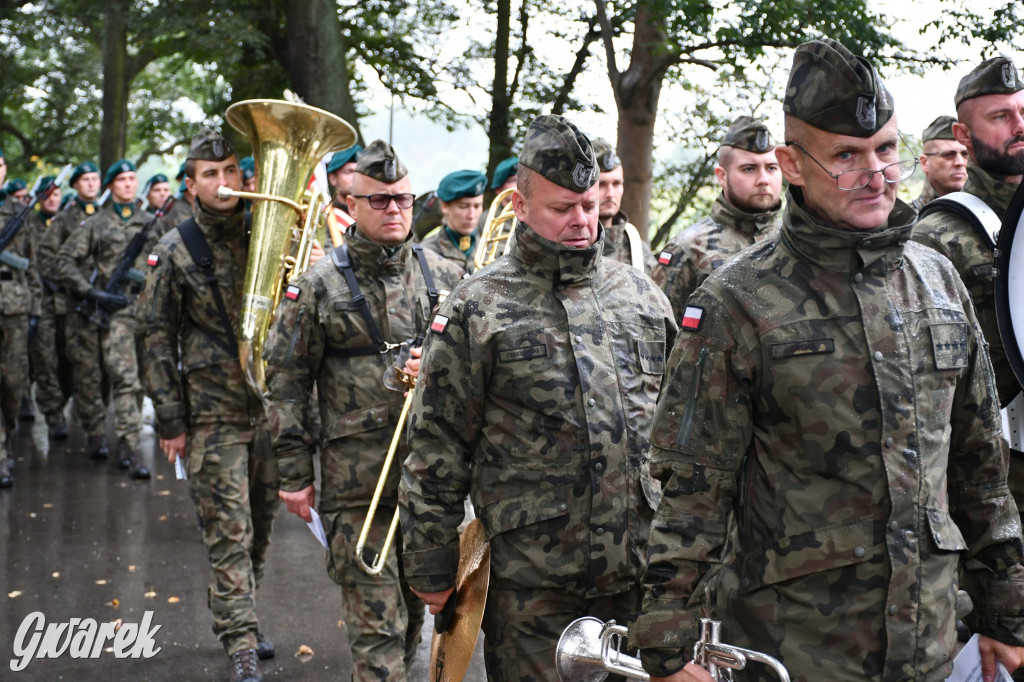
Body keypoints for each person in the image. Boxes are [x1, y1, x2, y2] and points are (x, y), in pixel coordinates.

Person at [633, 39, 1024, 682]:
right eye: (846, 155)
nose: (875, 173)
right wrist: (667, 646)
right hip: (797, 646)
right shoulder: (738, 301)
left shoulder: (937, 279)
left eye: (887, 150)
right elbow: (693, 489)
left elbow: (980, 461)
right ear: (791, 162)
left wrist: (1006, 613)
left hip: (930, 637)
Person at [400, 115, 676, 681]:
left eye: (589, 204)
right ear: (520, 206)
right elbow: (437, 445)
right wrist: (430, 564)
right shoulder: (477, 308)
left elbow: (679, 430)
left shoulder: (641, 296)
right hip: (534, 587)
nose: (581, 221)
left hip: (639, 576)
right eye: (561, 208)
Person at [263, 140, 462, 681]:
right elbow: (285, 381)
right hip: (358, 488)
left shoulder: (445, 275)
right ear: (351, 205)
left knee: (411, 629)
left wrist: (439, 369)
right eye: (379, 201)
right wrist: (294, 474)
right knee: (378, 645)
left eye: (402, 198)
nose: (394, 209)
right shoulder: (318, 285)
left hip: (431, 487)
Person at [137, 129, 280, 682]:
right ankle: (240, 639)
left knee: (261, 529)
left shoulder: (269, 235)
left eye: (231, 171)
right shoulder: (175, 249)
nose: (224, 184)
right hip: (212, 417)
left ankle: (238, 609)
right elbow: (153, 336)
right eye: (210, 174)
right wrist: (171, 420)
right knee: (229, 532)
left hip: (268, 412)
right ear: (192, 185)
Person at [913, 57, 1024, 519]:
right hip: (998, 479)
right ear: (963, 135)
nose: (1019, 125)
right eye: (1000, 117)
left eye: (1023, 111)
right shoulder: (936, 237)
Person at [54, 159, 152, 479]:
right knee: (125, 379)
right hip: (117, 313)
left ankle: (126, 438)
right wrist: (90, 292)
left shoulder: (152, 223)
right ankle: (131, 444)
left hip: (149, 313)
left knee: (141, 383)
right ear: (110, 186)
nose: (127, 184)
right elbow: (64, 261)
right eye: (121, 179)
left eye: (132, 178)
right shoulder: (96, 224)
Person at [652, 115, 782, 322]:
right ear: (722, 176)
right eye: (749, 169)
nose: (764, 180)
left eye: (771, 168)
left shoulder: (794, 239)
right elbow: (659, 335)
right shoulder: (687, 250)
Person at [39, 161, 108, 455]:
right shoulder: (65, 219)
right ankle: (94, 432)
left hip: (107, 304)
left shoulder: (108, 216)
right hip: (76, 305)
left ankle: (97, 419)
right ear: (76, 185)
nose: (92, 184)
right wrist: (73, 286)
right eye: (86, 180)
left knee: (106, 371)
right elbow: (47, 258)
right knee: (81, 368)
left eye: (95, 179)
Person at [30, 176, 73, 439]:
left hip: (67, 302)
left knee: (68, 360)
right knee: (45, 360)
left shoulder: (70, 223)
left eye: (56, 195)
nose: (52, 199)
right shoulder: (25, 224)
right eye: (47, 195)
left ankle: (62, 401)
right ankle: (53, 415)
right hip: (42, 302)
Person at [0, 174, 42, 439]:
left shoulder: (20, 212)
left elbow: (32, 264)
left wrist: (35, 309)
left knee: (14, 382)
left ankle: (9, 428)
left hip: (15, 306)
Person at [591, 137, 656, 273]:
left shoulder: (636, 248)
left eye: (616, 184)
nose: (610, 193)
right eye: (601, 184)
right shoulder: (571, 243)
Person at [419, 168, 486, 275]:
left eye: (477, 206)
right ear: (445, 206)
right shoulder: (426, 253)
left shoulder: (490, 248)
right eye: (463, 207)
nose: (472, 215)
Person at [912, 114, 969, 210]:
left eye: (965, 154)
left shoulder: (989, 212)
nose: (960, 162)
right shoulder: (906, 221)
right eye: (948, 154)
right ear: (925, 163)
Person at [324, 145, 362, 243]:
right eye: (349, 172)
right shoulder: (324, 220)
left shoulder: (374, 220)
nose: (356, 177)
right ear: (333, 179)